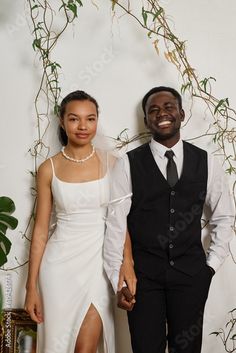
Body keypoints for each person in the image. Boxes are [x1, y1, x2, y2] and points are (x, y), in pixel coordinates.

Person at [104, 86, 234, 353]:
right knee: (145, 348)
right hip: (143, 279)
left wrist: (209, 268)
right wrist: (117, 279)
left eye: (168, 107)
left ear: (182, 114)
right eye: (153, 110)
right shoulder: (128, 164)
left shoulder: (206, 161)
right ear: (146, 121)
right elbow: (116, 224)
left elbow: (225, 215)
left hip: (191, 276)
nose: (161, 113)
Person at [24, 90, 117, 353]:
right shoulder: (48, 168)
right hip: (58, 268)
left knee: (84, 349)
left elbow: (122, 223)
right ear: (63, 122)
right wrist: (31, 288)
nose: (83, 126)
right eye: (74, 119)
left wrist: (126, 265)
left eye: (90, 118)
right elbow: (41, 231)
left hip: (99, 263)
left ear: (97, 121)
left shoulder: (114, 164)